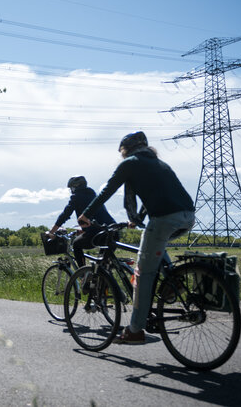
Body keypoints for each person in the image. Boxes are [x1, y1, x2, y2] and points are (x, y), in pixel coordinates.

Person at [78, 131, 195, 345]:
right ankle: (173, 280)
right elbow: (155, 195)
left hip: (165, 218)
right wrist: (138, 218)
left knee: (142, 274)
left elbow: (107, 190)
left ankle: (135, 330)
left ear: (126, 150)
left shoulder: (130, 163)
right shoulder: (158, 163)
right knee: (154, 245)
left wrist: (86, 214)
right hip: (187, 215)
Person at [47, 176, 116, 267]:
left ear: (75, 187)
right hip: (113, 231)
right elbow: (97, 217)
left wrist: (52, 231)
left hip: (100, 234)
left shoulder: (76, 197)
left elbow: (65, 215)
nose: (71, 190)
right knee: (102, 269)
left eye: (71, 188)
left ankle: (82, 274)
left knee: (76, 244)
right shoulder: (92, 194)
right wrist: (84, 231)